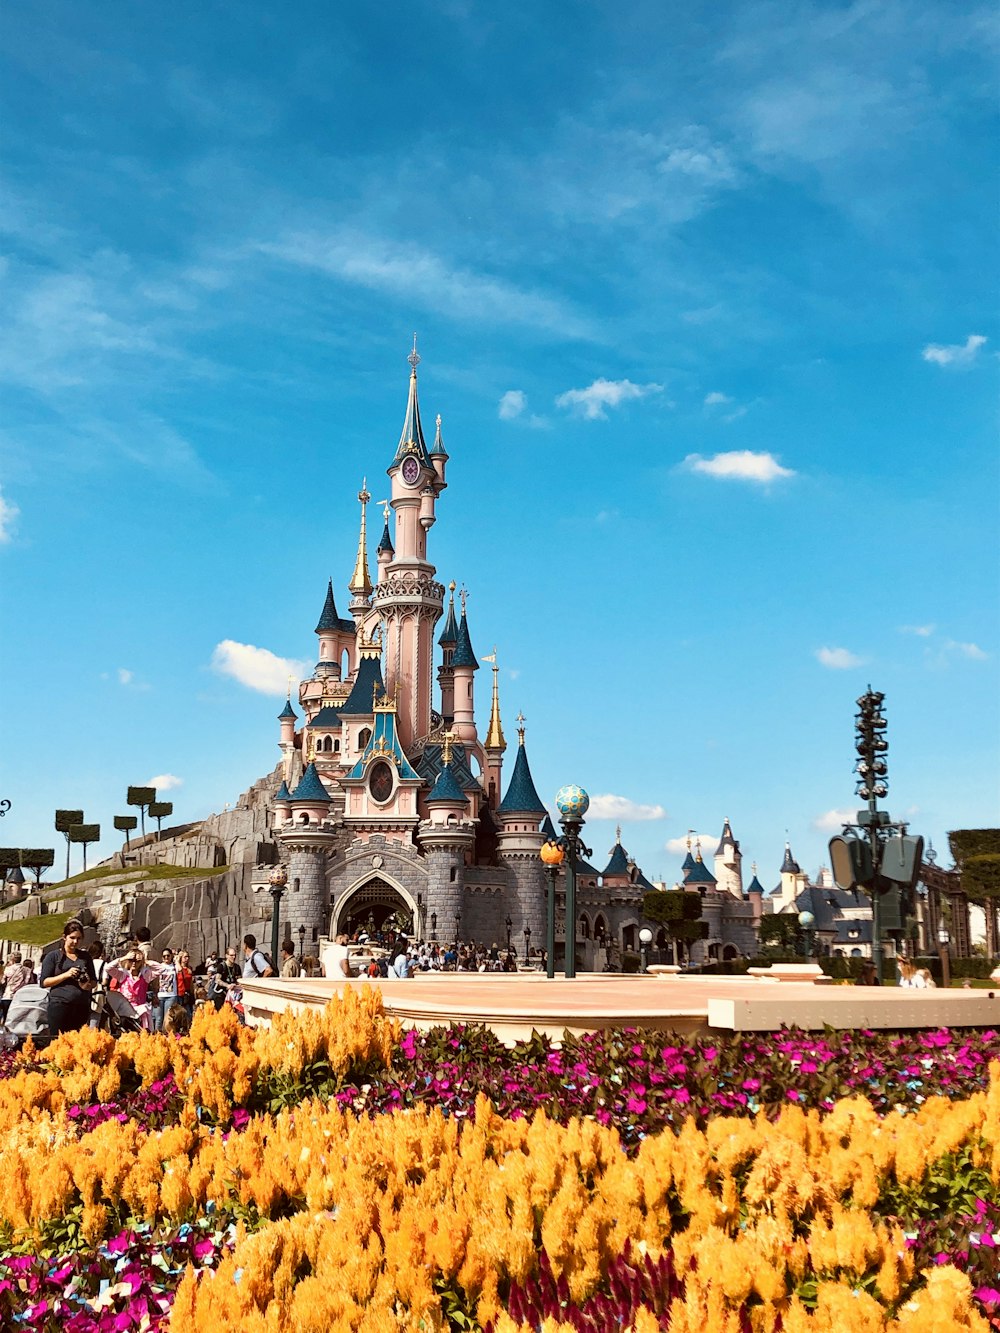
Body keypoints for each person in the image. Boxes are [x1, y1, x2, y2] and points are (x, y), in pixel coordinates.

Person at [39, 919, 97, 1035]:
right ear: (64, 937)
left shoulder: (85, 957)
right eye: (72, 937)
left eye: (79, 938)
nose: (75, 941)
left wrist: (87, 984)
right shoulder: (53, 956)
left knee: (77, 1043)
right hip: (59, 1005)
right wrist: (66, 975)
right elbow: (44, 982)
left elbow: (94, 981)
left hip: (81, 1006)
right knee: (57, 1041)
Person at [0, 952, 32, 1023]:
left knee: (6, 1018)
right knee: (19, 1020)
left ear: (12, 959)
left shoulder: (8, 969)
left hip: (9, 996)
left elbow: (2, 982)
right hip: (22, 997)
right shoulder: (28, 970)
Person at [175, 950, 195, 1016]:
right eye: (185, 957)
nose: (187, 958)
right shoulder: (177, 968)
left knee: (189, 1013)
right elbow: (180, 969)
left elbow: (191, 982)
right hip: (179, 992)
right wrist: (177, 961)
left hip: (187, 992)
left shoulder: (189, 968)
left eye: (188, 957)